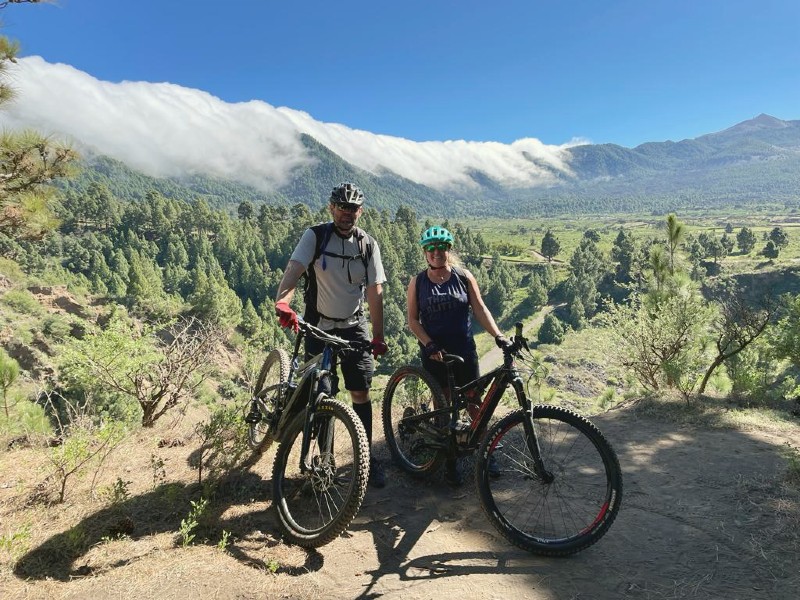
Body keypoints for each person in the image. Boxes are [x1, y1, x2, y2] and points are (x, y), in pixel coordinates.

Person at [274, 183, 389, 488]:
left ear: (360, 211)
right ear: (331, 208)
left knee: (361, 392)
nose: (346, 213)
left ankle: (365, 460)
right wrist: (283, 301)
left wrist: (378, 336)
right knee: (322, 392)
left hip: (353, 326)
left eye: (352, 208)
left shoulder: (367, 245)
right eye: (341, 207)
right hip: (319, 326)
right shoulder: (316, 236)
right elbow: (295, 269)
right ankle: (324, 461)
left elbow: (376, 292)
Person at [406, 225, 512, 485]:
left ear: (448, 250)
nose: (435, 252)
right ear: (424, 253)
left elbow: (480, 309)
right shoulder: (418, 282)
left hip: (464, 350)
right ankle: (448, 460)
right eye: (430, 249)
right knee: (443, 405)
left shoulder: (464, 277)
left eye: (440, 248)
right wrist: (428, 344)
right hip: (435, 355)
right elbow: (412, 319)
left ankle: (486, 455)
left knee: (476, 403)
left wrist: (498, 336)